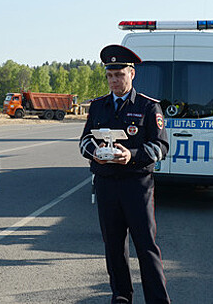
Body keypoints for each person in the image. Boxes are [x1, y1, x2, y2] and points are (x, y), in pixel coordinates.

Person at [79, 44, 170, 304]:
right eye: (110, 76)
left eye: (119, 75)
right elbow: (84, 140)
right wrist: (93, 153)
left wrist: (131, 155)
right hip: (107, 185)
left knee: (146, 247)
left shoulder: (148, 107)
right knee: (114, 246)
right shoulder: (98, 106)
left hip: (137, 186)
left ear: (132, 74)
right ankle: (121, 295)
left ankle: (158, 300)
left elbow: (161, 147)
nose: (114, 81)